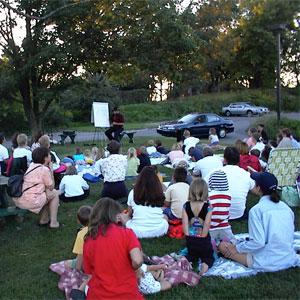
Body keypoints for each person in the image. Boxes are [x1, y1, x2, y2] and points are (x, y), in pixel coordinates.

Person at [219, 172, 299, 272]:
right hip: (288, 257)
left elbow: (258, 242)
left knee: (223, 246)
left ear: (258, 188)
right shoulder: (286, 208)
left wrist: (237, 248)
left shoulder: (257, 210)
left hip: (266, 262)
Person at [83, 198, 143, 300]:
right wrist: (136, 269)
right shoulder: (127, 233)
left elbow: (88, 272)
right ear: (116, 215)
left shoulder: (89, 240)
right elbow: (137, 260)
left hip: (99, 296)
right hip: (127, 294)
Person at [13, 147, 60, 228]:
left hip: (21, 198)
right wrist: (51, 170)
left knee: (47, 194)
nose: (50, 156)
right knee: (54, 193)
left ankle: (44, 220)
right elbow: (51, 186)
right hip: (31, 201)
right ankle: (54, 223)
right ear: (45, 158)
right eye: (49, 155)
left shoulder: (32, 165)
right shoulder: (44, 169)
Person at [209, 146, 255, 220]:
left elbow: (202, 186)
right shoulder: (245, 174)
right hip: (239, 214)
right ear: (239, 159)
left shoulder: (215, 172)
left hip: (218, 213)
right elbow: (255, 190)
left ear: (224, 159)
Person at [124, 166, 168, 238]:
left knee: (123, 216)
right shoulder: (159, 192)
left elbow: (130, 213)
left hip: (136, 231)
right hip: (159, 230)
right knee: (165, 217)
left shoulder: (133, 192)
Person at [182, 178, 214, 275]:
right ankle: (205, 265)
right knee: (208, 257)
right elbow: (207, 225)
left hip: (190, 240)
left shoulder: (186, 206)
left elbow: (185, 225)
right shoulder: (208, 207)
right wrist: (203, 238)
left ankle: (189, 262)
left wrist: (188, 237)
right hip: (203, 240)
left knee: (191, 254)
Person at [207, 170, 235, 244]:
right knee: (232, 243)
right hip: (225, 226)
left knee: (208, 244)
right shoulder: (228, 195)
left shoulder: (208, 196)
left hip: (210, 227)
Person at [65, 206, 92, 271]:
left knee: (66, 264)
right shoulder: (101, 228)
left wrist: (77, 270)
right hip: (103, 261)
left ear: (78, 221)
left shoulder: (81, 234)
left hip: (90, 264)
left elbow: (81, 254)